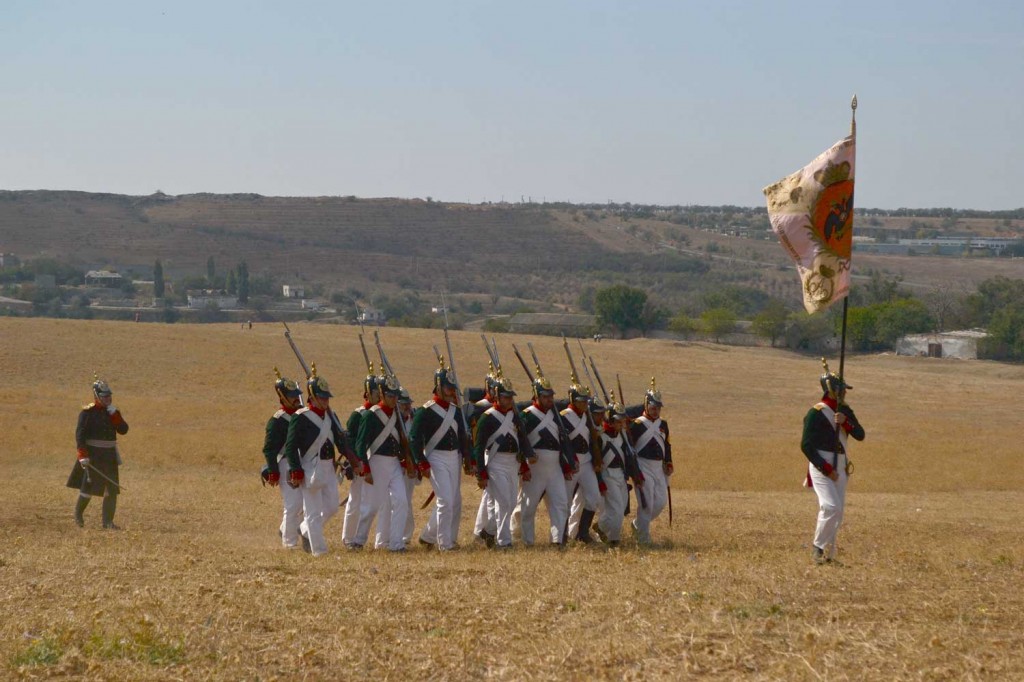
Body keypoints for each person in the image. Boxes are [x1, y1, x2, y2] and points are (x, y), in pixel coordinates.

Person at [283, 367, 352, 556]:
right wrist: (296, 470)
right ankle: (319, 551)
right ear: (311, 397)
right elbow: (291, 446)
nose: (325, 401)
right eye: (321, 397)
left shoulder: (331, 416)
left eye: (326, 397)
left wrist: (352, 458)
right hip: (309, 467)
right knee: (313, 512)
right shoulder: (300, 417)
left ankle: (305, 529)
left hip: (328, 467)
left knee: (331, 507)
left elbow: (339, 441)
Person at [802, 369, 865, 565]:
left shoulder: (844, 410)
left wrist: (846, 423)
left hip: (841, 464)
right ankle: (817, 548)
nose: (843, 392)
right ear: (830, 389)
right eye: (840, 389)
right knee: (830, 507)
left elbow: (860, 434)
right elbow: (806, 445)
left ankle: (829, 552)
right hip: (822, 465)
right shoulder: (816, 413)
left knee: (838, 512)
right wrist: (826, 468)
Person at [412, 363, 469, 551]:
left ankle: (429, 536)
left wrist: (469, 460)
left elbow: (462, 437)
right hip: (435, 457)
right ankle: (444, 544)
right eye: (447, 387)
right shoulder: (425, 411)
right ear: (438, 386)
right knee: (445, 500)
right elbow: (414, 439)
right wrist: (421, 462)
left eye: (453, 388)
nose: (451, 391)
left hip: (454, 458)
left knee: (454, 501)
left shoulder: (455, 411)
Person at [473, 374, 534, 549]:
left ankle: (488, 532)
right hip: (496, 462)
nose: (509, 400)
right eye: (506, 397)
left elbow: (521, 441)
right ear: (497, 397)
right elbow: (479, 447)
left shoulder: (514, 416)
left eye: (510, 397)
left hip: (512, 462)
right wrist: (481, 472)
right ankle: (504, 541)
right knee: (503, 503)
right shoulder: (487, 417)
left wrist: (524, 465)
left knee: (511, 502)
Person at [354, 376, 413, 552]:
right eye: (390, 396)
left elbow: (403, 441)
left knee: (402, 501)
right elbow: (360, 444)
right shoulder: (371, 415)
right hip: (377, 462)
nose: (394, 400)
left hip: (394, 463)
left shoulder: (398, 415)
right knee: (371, 506)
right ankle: (358, 540)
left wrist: (408, 460)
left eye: (395, 396)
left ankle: (396, 543)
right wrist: (365, 467)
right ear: (381, 394)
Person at [518, 371, 573, 545]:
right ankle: (528, 541)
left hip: (554, 464)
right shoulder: (527, 415)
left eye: (551, 396)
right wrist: (524, 467)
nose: (550, 399)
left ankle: (557, 541)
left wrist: (567, 465)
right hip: (536, 464)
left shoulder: (556, 415)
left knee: (561, 503)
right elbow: (521, 442)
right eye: (546, 396)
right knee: (529, 506)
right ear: (537, 395)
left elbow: (562, 442)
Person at [67, 377, 129, 529]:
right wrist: (82, 455)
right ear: (97, 396)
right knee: (88, 488)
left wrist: (116, 416)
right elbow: (80, 435)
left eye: (109, 395)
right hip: (93, 454)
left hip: (109, 455)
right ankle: (78, 515)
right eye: (105, 396)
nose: (108, 398)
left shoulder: (113, 412)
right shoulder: (87, 413)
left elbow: (123, 430)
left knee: (111, 490)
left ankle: (108, 522)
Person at [261, 370, 304, 549]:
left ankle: (285, 529)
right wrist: (273, 471)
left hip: (302, 462)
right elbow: (269, 449)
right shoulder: (277, 421)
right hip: (285, 463)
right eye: (291, 396)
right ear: (282, 397)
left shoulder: (302, 415)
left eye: (296, 395)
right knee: (293, 504)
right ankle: (289, 544)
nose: (296, 399)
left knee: (303, 504)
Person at [375, 388, 422, 548]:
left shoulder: (413, 418)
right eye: (403, 404)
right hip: (395, 464)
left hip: (409, 465)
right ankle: (386, 538)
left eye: (408, 404)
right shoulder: (393, 420)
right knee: (389, 503)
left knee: (405, 501)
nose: (406, 407)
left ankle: (404, 535)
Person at [628, 378, 672, 545]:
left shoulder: (663, 425)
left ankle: (638, 525)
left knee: (660, 502)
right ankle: (643, 539)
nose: (656, 411)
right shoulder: (637, 424)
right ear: (646, 406)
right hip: (642, 464)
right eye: (653, 407)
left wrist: (668, 462)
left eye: (658, 408)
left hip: (658, 467)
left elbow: (667, 445)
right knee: (646, 503)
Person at [341, 366, 381, 548]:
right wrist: (356, 462)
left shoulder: (382, 414)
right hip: (360, 462)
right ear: (368, 393)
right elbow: (349, 441)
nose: (379, 396)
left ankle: (357, 538)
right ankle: (349, 538)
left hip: (376, 461)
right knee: (355, 501)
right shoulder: (358, 415)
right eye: (375, 392)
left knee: (370, 503)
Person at [562, 383, 605, 543]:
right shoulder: (564, 416)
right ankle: (563, 534)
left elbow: (592, 441)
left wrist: (596, 459)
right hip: (571, 462)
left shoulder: (587, 417)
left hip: (586, 461)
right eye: (580, 401)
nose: (584, 404)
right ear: (573, 400)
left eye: (585, 401)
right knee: (565, 501)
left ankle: (582, 533)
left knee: (593, 497)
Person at [595, 397, 639, 546]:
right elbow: (597, 460)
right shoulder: (601, 436)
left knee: (621, 507)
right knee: (617, 510)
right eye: (619, 422)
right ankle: (614, 539)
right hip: (607, 475)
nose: (622, 424)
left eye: (623, 421)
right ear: (611, 421)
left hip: (620, 474)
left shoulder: (623, 435)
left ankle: (600, 527)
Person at [472, 367, 500, 546]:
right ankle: (485, 531)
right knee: (491, 496)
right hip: (489, 452)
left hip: (498, 453)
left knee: (489, 496)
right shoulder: (481, 407)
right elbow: (476, 434)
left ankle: (481, 530)